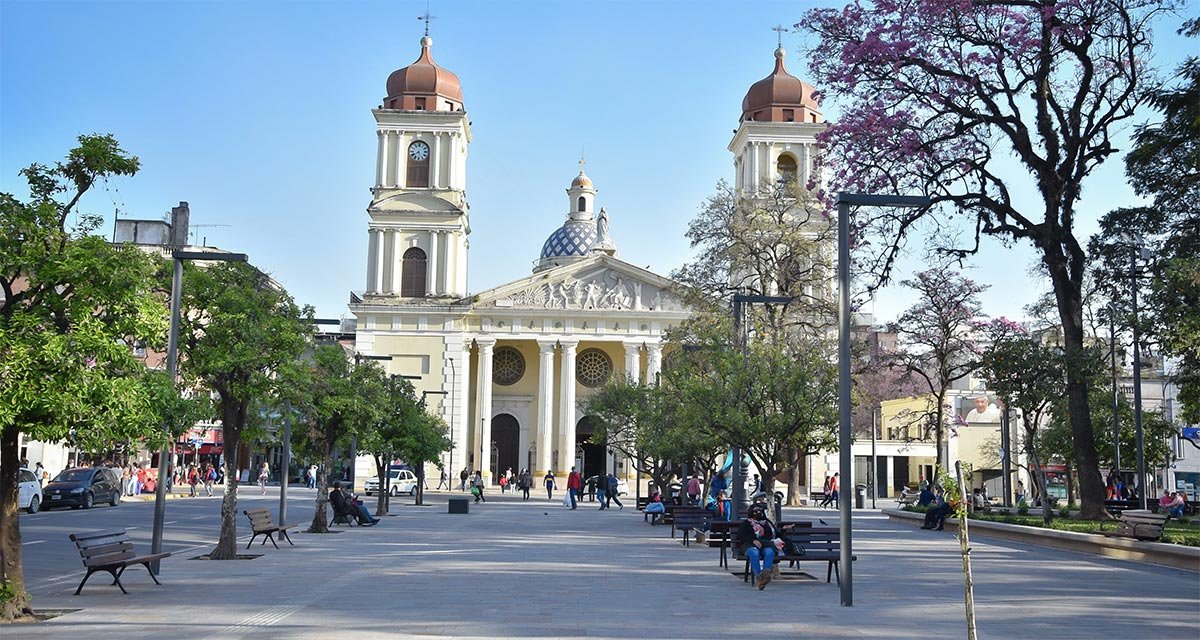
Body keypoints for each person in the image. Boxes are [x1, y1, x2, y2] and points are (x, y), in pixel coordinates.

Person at [738, 503, 779, 590]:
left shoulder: (767, 523)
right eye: (755, 511)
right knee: (754, 553)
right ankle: (760, 577)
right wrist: (753, 540)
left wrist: (784, 529)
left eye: (759, 511)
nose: (757, 513)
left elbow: (774, 535)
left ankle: (765, 574)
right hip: (749, 545)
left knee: (769, 552)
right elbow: (741, 536)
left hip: (765, 545)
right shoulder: (747, 523)